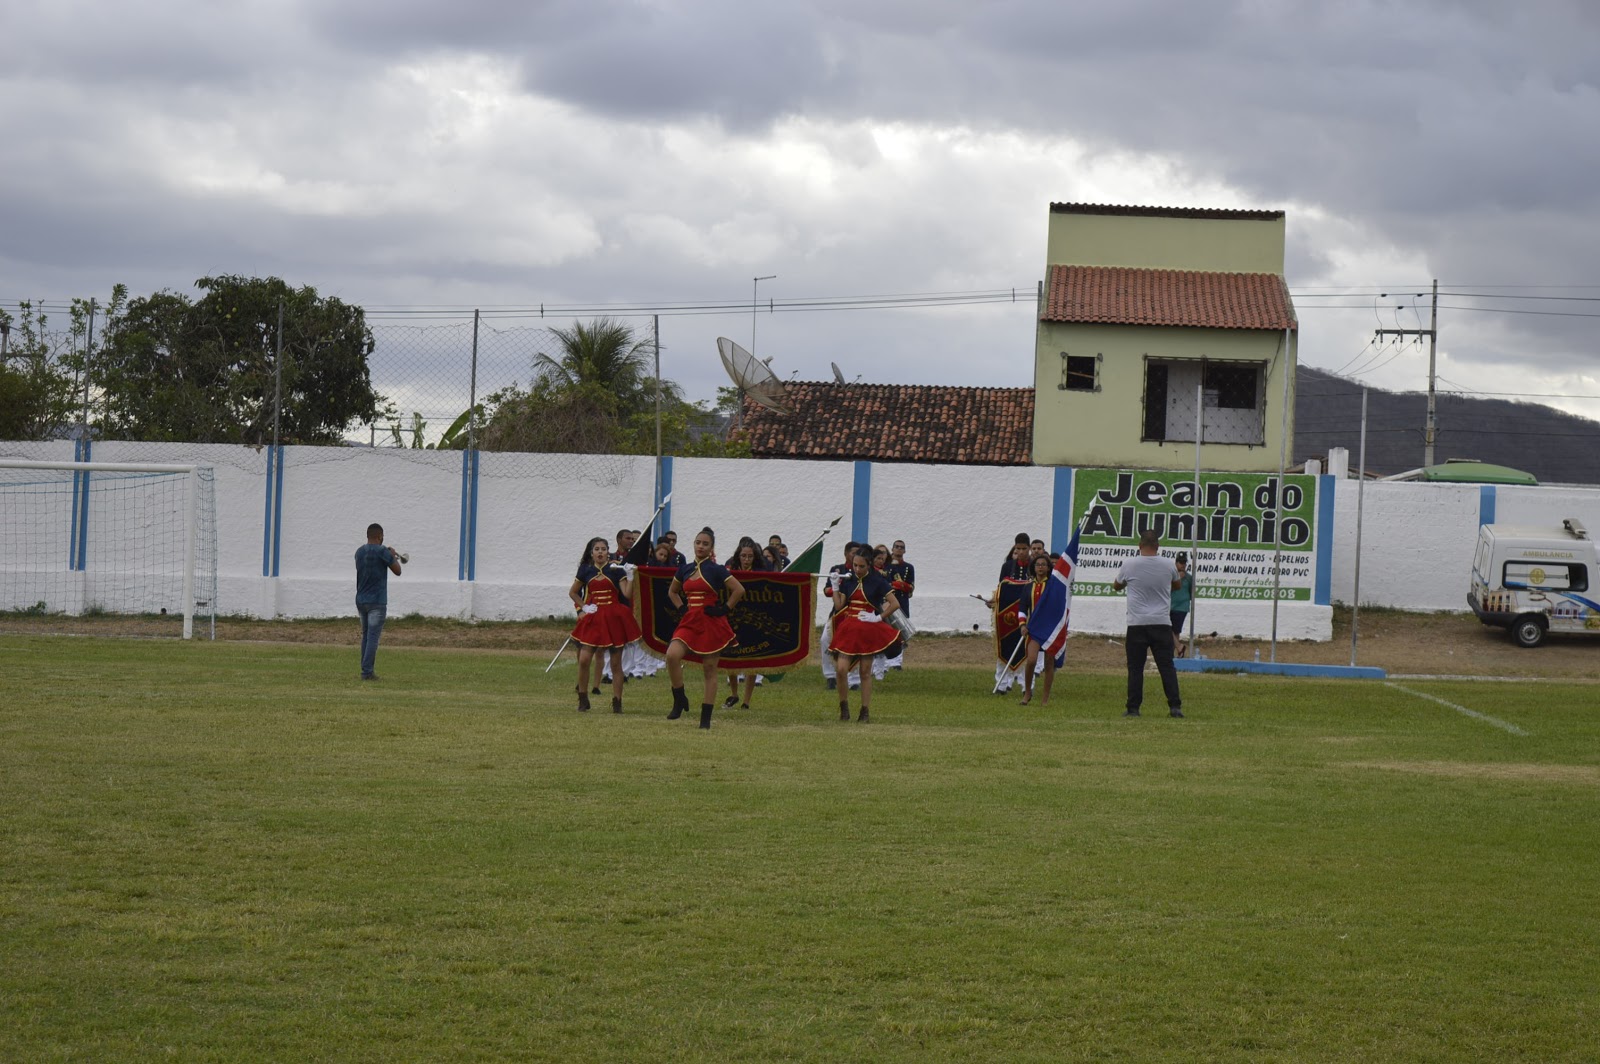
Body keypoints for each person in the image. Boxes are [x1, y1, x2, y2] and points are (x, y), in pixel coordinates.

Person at [665, 527, 745, 729]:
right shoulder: (684, 569)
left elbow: (739, 589)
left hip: (711, 622)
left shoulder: (716, 569)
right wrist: (681, 608)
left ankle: (705, 719)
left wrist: (724, 609)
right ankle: (679, 699)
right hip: (690, 620)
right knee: (672, 655)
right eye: (698, 542)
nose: (700, 546)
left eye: (705, 544)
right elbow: (672, 592)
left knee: (709, 669)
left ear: (711, 548)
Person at [1113, 530, 1184, 718]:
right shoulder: (1168, 564)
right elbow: (1177, 585)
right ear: (1158, 547)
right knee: (1166, 666)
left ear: (1139, 546)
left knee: (1135, 668)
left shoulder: (1129, 564)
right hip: (1161, 623)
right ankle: (1175, 707)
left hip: (1137, 623)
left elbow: (1116, 585)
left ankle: (1133, 708)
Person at [828, 549, 901, 723]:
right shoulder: (849, 579)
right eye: (855, 565)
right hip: (849, 629)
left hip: (868, 629)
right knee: (841, 669)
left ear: (869, 565)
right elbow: (839, 606)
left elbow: (895, 604)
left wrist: (878, 617)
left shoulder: (878, 581)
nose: (857, 569)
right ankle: (844, 708)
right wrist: (835, 587)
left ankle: (865, 711)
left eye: (861, 566)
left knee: (865, 672)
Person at [569, 537, 641, 713]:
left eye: (603, 549)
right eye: (597, 549)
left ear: (608, 551)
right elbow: (573, 592)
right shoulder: (585, 569)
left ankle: (617, 702)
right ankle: (583, 699)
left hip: (613, 617)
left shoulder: (615, 569)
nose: (600, 552)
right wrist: (584, 607)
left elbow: (627, 594)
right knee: (584, 660)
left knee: (616, 663)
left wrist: (630, 576)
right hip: (593, 617)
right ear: (591, 552)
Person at [723, 539, 769, 710]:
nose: (746, 559)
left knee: (752, 660)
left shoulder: (761, 573)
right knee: (731, 655)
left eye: (750, 556)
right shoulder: (730, 571)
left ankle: (746, 701)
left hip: (753, 619)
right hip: (733, 618)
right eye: (743, 556)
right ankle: (734, 694)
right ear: (738, 556)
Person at [354, 522, 403, 680]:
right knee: (373, 637)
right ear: (380, 536)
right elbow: (398, 571)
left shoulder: (359, 552)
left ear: (367, 535)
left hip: (361, 599)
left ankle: (365, 668)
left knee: (366, 635)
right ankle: (367, 672)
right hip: (377, 600)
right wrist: (392, 556)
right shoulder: (383, 551)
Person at [1020, 553, 1060, 706]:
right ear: (1034, 568)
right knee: (1031, 660)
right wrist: (1022, 625)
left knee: (1049, 663)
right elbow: (1022, 608)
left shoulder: (1053, 586)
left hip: (1050, 630)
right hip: (1033, 629)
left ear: (1049, 568)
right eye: (1038, 565)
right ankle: (1027, 692)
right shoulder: (1028, 587)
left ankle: (1045, 699)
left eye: (1044, 564)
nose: (1041, 567)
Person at [820, 541, 860, 691]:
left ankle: (854, 680)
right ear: (846, 553)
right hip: (838, 613)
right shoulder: (837, 569)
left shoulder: (862, 571)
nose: (856, 555)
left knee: (855, 644)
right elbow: (827, 591)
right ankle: (830, 676)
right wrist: (836, 585)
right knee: (825, 640)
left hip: (856, 613)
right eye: (853, 552)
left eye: (858, 553)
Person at [1171, 552, 1194, 657]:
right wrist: (1177, 579)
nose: (1182, 565)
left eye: (1184, 563)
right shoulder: (1171, 576)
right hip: (1170, 606)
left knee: (1175, 631)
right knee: (1168, 629)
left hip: (1181, 608)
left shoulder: (1189, 578)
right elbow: (1167, 589)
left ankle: (1176, 651)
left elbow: (1191, 593)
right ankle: (1179, 648)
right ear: (1176, 563)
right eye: (1180, 562)